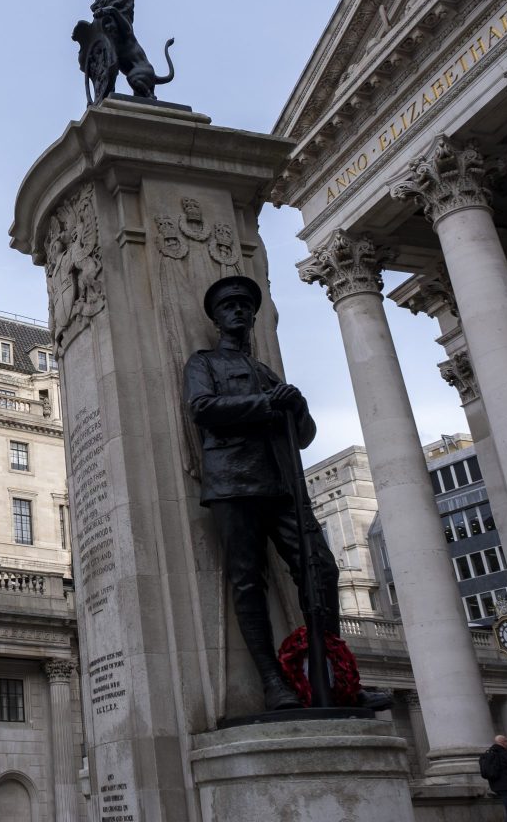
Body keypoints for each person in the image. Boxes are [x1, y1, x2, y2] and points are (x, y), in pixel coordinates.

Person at [184, 275, 387, 712]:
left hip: (282, 484)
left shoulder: (266, 372)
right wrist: (267, 405)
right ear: (216, 319)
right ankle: (273, 682)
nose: (239, 311)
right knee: (247, 581)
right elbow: (202, 408)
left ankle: (330, 676)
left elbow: (304, 436)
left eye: (245, 305)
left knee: (321, 569)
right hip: (233, 482)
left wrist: (298, 407)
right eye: (229, 306)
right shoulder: (205, 364)